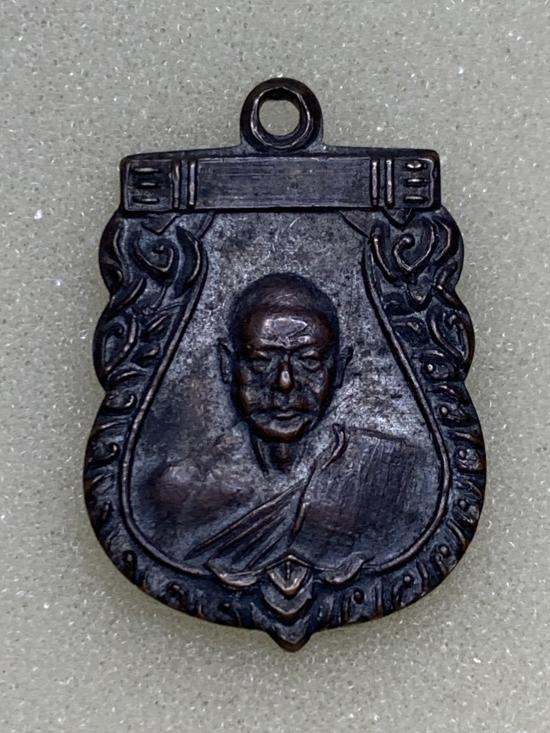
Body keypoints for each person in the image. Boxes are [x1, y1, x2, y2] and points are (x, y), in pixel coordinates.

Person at [148, 273, 436, 579]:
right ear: (227, 363)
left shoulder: (395, 471)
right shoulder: (178, 490)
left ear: (339, 368)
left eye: (309, 361)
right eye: (261, 361)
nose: (284, 383)